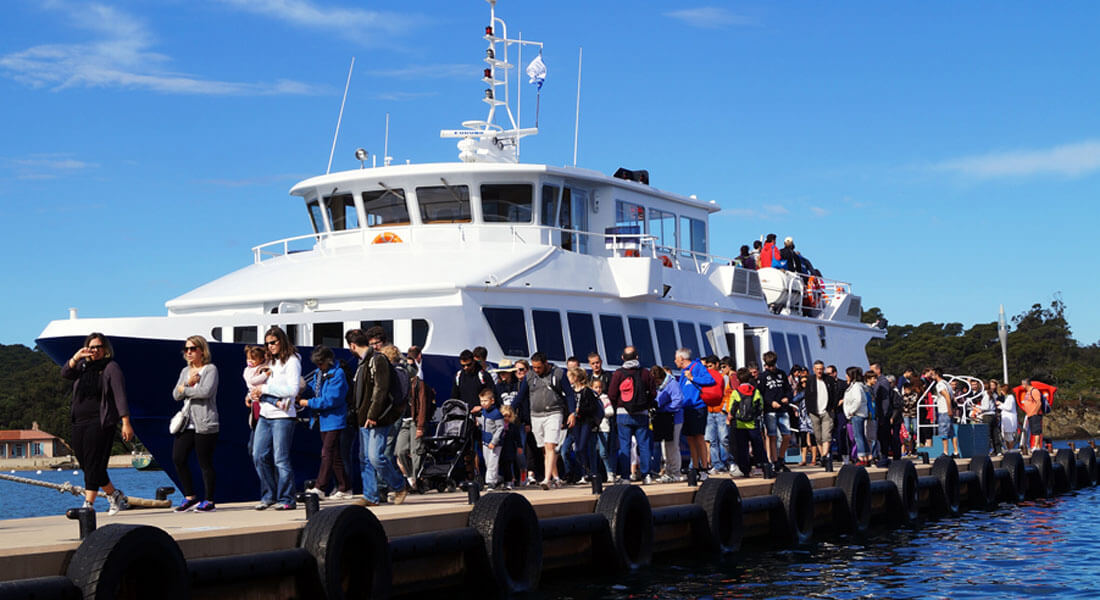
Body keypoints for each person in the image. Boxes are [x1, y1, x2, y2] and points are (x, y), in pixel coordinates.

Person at [61, 333, 133, 515]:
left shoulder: (111, 368)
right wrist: (77, 356)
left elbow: (120, 395)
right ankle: (114, 494)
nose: (93, 351)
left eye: (97, 347)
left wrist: (125, 422)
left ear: (105, 349)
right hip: (79, 421)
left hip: (100, 421)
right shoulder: (82, 366)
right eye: (90, 347)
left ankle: (88, 505)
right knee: (85, 463)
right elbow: (65, 373)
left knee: (93, 463)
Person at [349, 327, 408, 506]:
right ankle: (371, 496)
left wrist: (373, 414)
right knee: (365, 458)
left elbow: (381, 389)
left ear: (352, 346)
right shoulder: (363, 363)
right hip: (363, 418)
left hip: (377, 417)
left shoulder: (378, 359)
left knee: (376, 457)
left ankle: (399, 486)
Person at [248, 326, 300, 510]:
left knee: (280, 458)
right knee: (258, 455)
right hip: (265, 413)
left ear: (282, 341)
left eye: (273, 342)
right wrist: (254, 393)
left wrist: (265, 390)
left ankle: (286, 498)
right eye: (267, 343)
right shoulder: (269, 363)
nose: (270, 346)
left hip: (283, 416)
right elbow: (259, 383)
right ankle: (268, 495)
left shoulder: (292, 361)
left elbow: (293, 390)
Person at [171, 335, 219, 512]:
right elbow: (176, 394)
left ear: (202, 350)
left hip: (205, 421)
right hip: (187, 422)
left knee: (204, 462)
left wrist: (186, 390)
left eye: (192, 349)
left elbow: (206, 392)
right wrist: (187, 384)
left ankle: (209, 500)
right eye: (186, 349)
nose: (189, 352)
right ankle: (190, 496)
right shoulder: (185, 371)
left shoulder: (210, 369)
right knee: (178, 457)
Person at [298, 346, 351, 500]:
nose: (319, 366)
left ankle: (320, 488)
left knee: (326, 452)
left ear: (328, 360)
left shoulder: (338, 374)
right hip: (322, 419)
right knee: (334, 455)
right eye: (317, 363)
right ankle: (345, 487)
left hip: (335, 419)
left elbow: (331, 399)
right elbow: (310, 388)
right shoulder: (318, 374)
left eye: (321, 363)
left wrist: (307, 402)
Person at [609, 346, 657, 483]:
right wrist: (646, 405)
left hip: (623, 414)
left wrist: (617, 406)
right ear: (637, 357)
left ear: (622, 358)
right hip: (642, 414)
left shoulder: (618, 373)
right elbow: (653, 393)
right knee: (644, 444)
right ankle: (646, 475)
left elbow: (612, 394)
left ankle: (625, 477)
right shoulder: (645, 373)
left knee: (625, 445)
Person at [521, 352, 568, 489]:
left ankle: (546, 480)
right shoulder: (530, 376)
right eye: (534, 367)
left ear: (546, 363)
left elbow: (569, 394)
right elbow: (521, 395)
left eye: (539, 367)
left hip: (554, 412)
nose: (536, 370)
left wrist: (571, 413)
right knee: (545, 449)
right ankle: (556, 477)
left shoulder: (558, 374)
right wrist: (509, 408)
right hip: (536, 415)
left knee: (550, 446)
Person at [675, 347, 715, 477]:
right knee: (690, 438)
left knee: (699, 437)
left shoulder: (697, 367)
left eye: (676, 358)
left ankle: (704, 468)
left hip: (697, 407)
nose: (675, 361)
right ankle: (695, 468)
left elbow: (710, 380)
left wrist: (693, 378)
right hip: (686, 408)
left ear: (682, 358)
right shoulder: (683, 372)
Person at [725, 367, 764, 478]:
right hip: (752, 424)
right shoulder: (755, 391)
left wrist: (731, 418)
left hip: (739, 424)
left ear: (738, 379)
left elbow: (731, 409)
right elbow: (760, 406)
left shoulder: (735, 393)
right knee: (757, 446)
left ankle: (745, 469)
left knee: (742, 447)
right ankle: (759, 467)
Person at [566, 367, 602, 483]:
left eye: (570, 377)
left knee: (582, 447)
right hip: (576, 422)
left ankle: (588, 472)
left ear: (575, 378)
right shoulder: (571, 392)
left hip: (586, 421)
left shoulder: (587, 391)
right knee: (577, 449)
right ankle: (583, 473)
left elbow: (592, 408)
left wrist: (579, 410)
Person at [759, 351, 793, 473]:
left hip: (783, 409)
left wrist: (787, 398)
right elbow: (761, 394)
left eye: (773, 364)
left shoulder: (782, 374)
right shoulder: (763, 376)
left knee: (787, 435)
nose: (771, 367)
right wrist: (770, 402)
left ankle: (781, 458)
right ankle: (773, 461)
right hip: (770, 410)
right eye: (769, 365)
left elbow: (788, 390)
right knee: (772, 436)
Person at [652, 366, 684, 482]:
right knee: (666, 447)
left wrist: (665, 408)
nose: (656, 383)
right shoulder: (660, 387)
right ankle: (668, 472)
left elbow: (678, 400)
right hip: (664, 418)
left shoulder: (672, 384)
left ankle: (675, 472)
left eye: (657, 381)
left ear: (662, 377)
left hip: (674, 419)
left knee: (673, 447)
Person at [805, 361, 837, 467]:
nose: (819, 371)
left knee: (826, 435)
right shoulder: (810, 380)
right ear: (814, 369)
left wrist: (832, 407)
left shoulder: (829, 380)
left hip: (827, 411)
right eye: (817, 369)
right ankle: (823, 456)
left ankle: (824, 456)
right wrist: (809, 410)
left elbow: (834, 394)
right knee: (818, 436)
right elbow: (807, 396)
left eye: (821, 369)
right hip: (814, 411)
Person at [701, 355, 730, 474]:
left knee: (724, 439)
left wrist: (724, 409)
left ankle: (725, 461)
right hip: (709, 411)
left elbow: (728, 394)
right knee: (711, 440)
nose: (709, 369)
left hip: (720, 412)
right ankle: (717, 464)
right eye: (707, 366)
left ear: (717, 364)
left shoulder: (724, 377)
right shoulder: (706, 378)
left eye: (711, 366)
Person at [476, 388, 506, 489]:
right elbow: (485, 423)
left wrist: (494, 441)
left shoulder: (496, 413)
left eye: (485, 401)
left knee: (493, 461)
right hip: (485, 441)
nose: (483, 403)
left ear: (492, 401)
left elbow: (500, 428)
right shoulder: (484, 412)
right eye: (481, 401)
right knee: (488, 462)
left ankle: (490, 482)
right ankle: (497, 478)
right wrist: (477, 420)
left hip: (495, 443)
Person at [842, 366, 871, 466]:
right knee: (861, 435)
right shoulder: (858, 385)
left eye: (847, 374)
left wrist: (851, 411)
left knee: (858, 437)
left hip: (857, 414)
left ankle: (862, 457)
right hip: (859, 414)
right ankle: (867, 456)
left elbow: (857, 400)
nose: (845, 376)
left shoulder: (856, 387)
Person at [591, 378, 617, 482]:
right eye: (596, 387)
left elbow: (610, 411)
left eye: (599, 387)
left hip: (604, 428)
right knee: (593, 452)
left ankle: (610, 473)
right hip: (592, 428)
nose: (598, 389)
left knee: (603, 452)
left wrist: (599, 414)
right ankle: (594, 474)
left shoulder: (604, 398)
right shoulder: (590, 397)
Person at [932, 368, 959, 458]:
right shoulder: (947, 383)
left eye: (933, 374)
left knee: (944, 432)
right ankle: (956, 451)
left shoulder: (940, 385)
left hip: (944, 410)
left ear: (937, 375)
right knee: (952, 432)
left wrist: (949, 409)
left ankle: (945, 452)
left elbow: (947, 396)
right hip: (948, 410)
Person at [794, 374, 817, 466]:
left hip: (811, 416)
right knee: (803, 438)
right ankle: (803, 459)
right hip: (802, 417)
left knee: (813, 438)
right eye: (802, 382)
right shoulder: (800, 393)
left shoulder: (813, 391)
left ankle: (814, 459)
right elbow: (794, 399)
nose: (804, 384)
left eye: (805, 382)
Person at [1020, 379, 1044, 451]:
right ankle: (1037, 446)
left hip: (1034, 414)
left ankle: (1036, 446)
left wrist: (1035, 412)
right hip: (1029, 414)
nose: (1022, 386)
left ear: (1026, 384)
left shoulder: (1034, 391)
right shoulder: (1027, 392)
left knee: (1036, 430)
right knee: (1033, 430)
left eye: (1022, 384)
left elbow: (1039, 402)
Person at [981, 380, 1004, 455]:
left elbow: (986, 407)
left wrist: (977, 407)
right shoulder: (994, 394)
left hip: (987, 415)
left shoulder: (985, 394)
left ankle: (986, 451)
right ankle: (998, 450)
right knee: (995, 434)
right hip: (993, 415)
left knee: (987, 434)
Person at [901, 380, 921, 455]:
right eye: (905, 389)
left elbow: (911, 403)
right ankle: (908, 448)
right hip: (906, 415)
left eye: (908, 389)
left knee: (915, 429)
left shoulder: (915, 395)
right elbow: (902, 404)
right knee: (907, 430)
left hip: (914, 414)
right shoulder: (902, 396)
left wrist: (906, 404)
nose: (906, 391)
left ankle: (915, 443)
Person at [1000, 384, 1019, 451]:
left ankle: (1010, 450)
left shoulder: (1010, 397)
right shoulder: (1007, 397)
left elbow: (1009, 407)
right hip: (1006, 419)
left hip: (1009, 419)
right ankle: (1008, 450)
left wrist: (1000, 405)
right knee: (1006, 436)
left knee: (1009, 436)